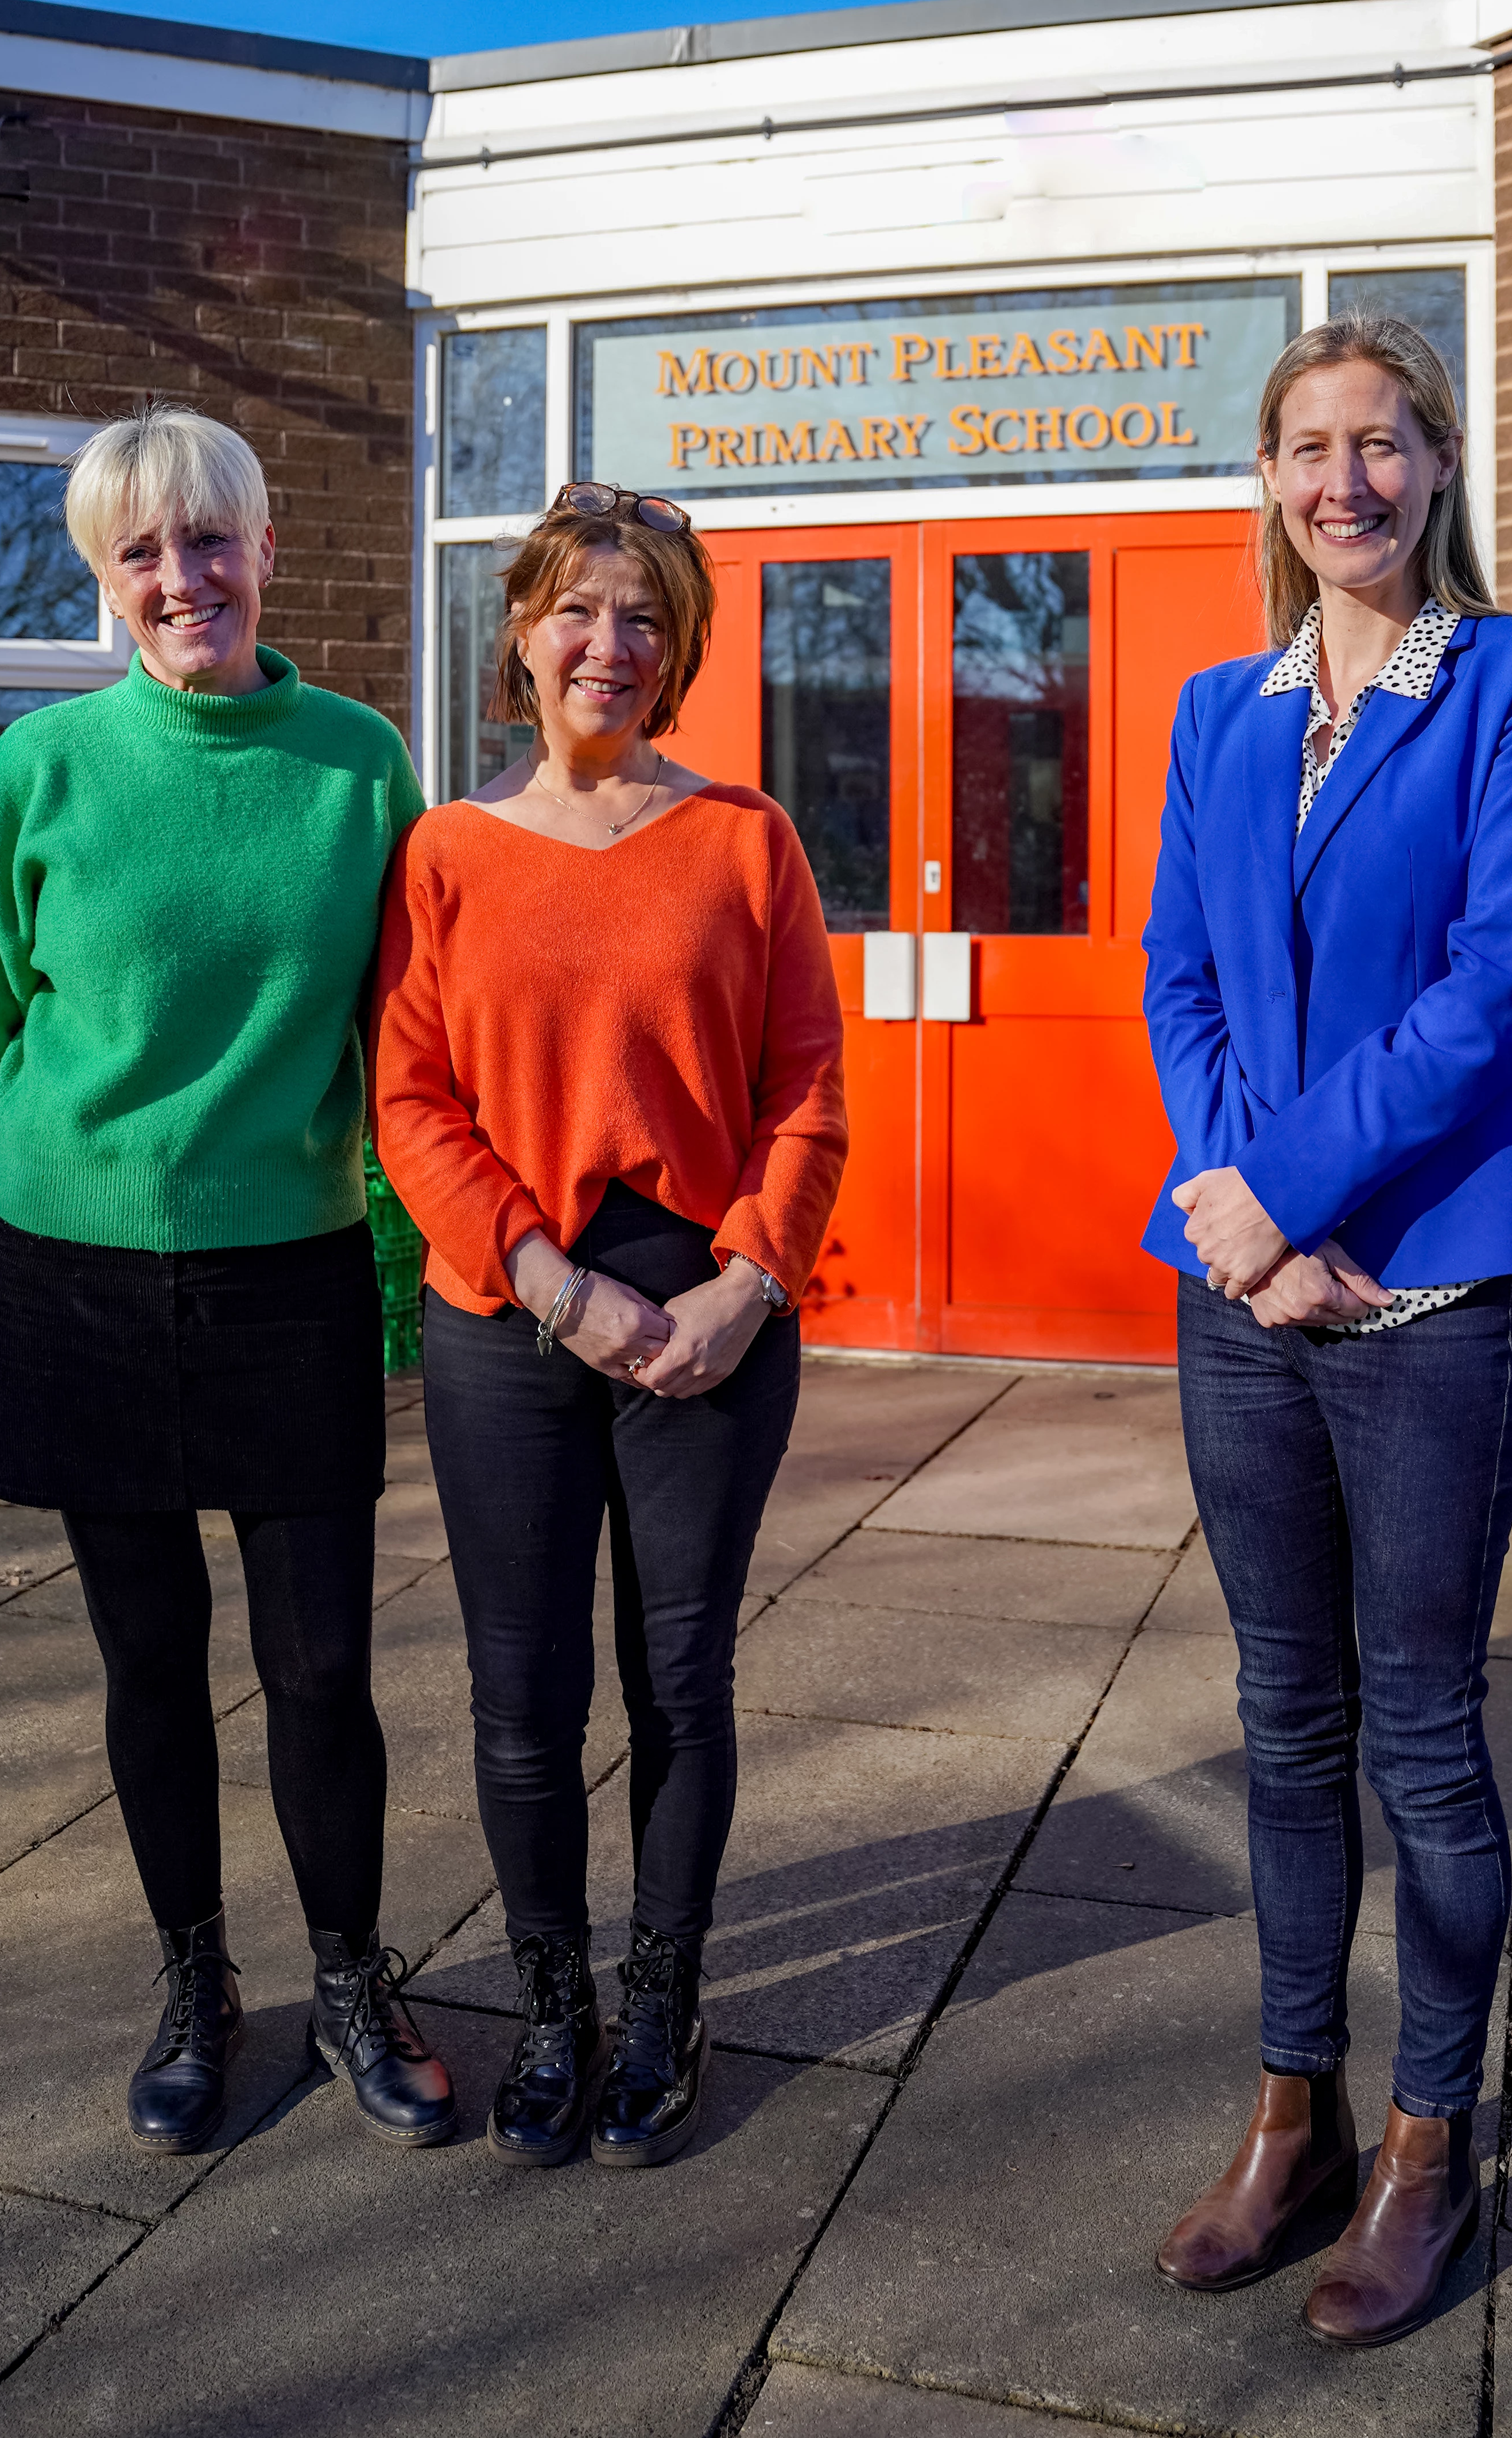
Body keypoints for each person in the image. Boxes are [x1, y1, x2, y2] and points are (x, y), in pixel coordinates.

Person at [1142, 315, 1512, 2346]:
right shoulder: (1220, 709)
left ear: (1439, 467)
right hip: (1251, 1301)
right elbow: (1185, 979)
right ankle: (1290, 2116)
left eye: (1384, 444)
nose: (1346, 480)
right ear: (1269, 480)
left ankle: (1432, 2145)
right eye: (1309, 447)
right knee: (1280, 1719)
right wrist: (1248, 1229)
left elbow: (1500, 991)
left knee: (1421, 1728)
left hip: (1432, 1297)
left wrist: (1292, 1195)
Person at [0, 405, 456, 2157]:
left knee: (319, 1672)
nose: (181, 579)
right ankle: (195, 1980)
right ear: (104, 579)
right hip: (78, 1281)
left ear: (266, 550)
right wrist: (57, 1188)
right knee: (148, 1660)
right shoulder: (44, 768)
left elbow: (413, 1026)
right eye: (141, 552)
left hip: (284, 1274)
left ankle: (358, 1978)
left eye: (209, 541)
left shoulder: (359, 762)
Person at [371, 482, 847, 2171]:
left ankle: (666, 2002)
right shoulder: (444, 850)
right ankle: (553, 2006)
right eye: (578, 609)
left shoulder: (745, 840)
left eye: (644, 616)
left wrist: (752, 1280)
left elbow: (805, 1089)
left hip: (708, 1317)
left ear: (680, 648)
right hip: (513, 1315)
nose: (608, 643)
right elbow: (412, 1104)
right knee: (520, 1693)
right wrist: (547, 1283)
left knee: (681, 1681)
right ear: (523, 631)